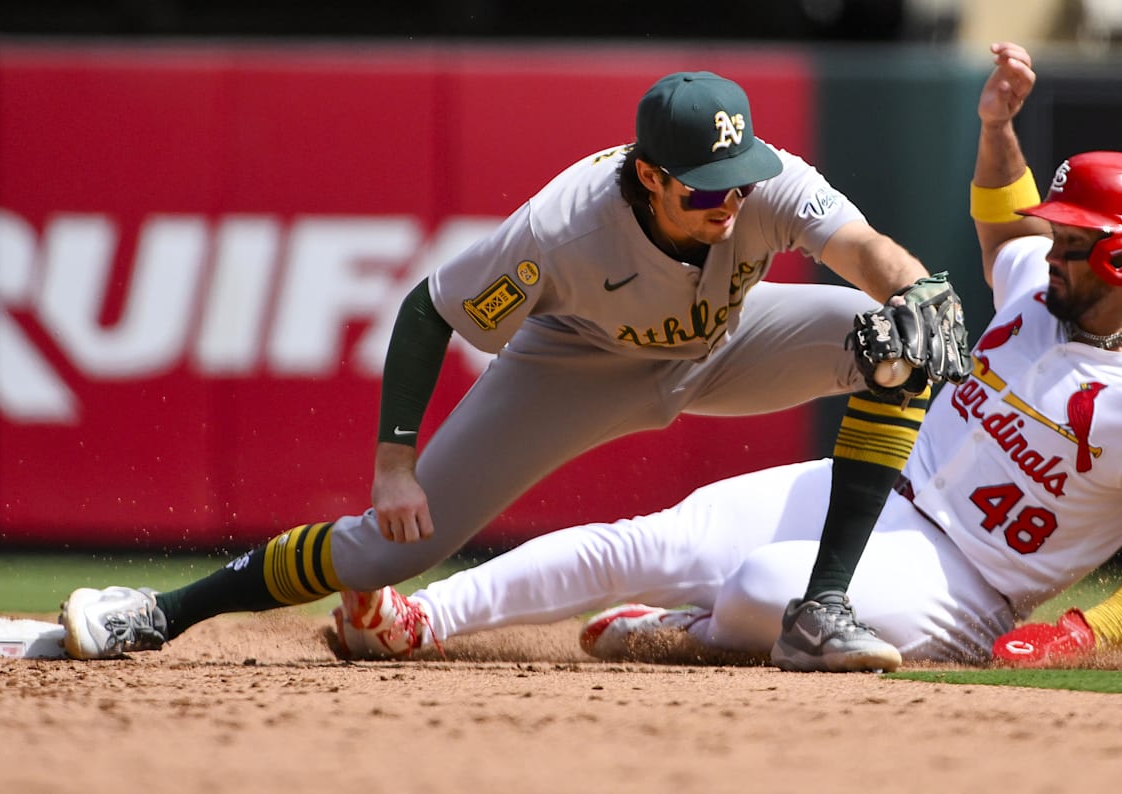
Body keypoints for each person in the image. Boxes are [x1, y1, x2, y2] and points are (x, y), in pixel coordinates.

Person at [324, 40, 1122, 671]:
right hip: (883, 491)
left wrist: (1079, 634)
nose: (1054, 244)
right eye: (1061, 232)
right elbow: (1005, 215)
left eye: (1078, 239)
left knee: (766, 587)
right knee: (650, 538)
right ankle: (419, 620)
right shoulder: (1039, 283)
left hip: (966, 582)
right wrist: (997, 132)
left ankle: (693, 634)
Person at [59, 70, 970, 664]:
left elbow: (865, 249)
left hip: (724, 344)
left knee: (884, 338)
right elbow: (428, 312)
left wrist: (920, 288)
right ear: (649, 175)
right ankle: (160, 610)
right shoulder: (559, 230)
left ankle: (822, 612)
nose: (730, 200)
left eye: (740, 176)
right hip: (580, 365)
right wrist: (393, 461)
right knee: (390, 547)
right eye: (705, 186)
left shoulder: (761, 184)